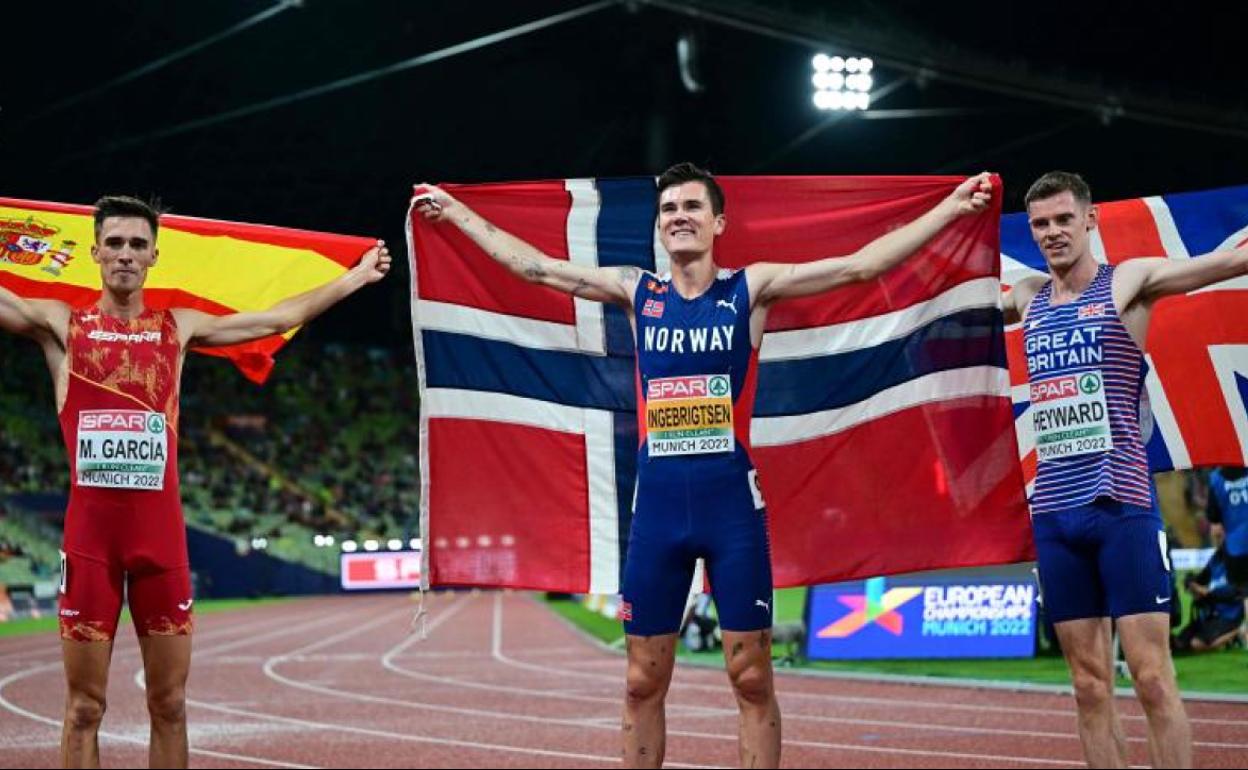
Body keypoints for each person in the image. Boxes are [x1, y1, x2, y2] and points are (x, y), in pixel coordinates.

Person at [415, 164, 994, 768]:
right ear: (659, 227)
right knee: (641, 680)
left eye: (692, 206)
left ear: (718, 223)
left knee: (749, 677)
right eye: (669, 209)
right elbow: (536, 268)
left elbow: (859, 267)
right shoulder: (639, 292)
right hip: (658, 514)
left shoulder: (752, 288)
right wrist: (456, 213)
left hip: (732, 513)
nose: (679, 216)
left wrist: (951, 209)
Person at [0, 195, 390, 768]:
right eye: (114, 243)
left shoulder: (177, 329)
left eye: (137, 244)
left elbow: (277, 319)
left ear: (156, 255)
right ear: (94, 253)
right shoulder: (62, 324)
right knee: (83, 706)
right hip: (91, 545)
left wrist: (354, 280)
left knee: (171, 703)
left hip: (161, 543)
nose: (125, 254)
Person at [1002, 171, 1248, 768]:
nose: (1053, 232)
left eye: (1064, 219)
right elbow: (936, 302)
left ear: (1090, 220)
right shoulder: (1027, 295)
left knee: (1151, 678)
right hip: (1055, 517)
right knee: (1088, 687)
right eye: (1041, 223)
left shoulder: (1128, 282)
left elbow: (1223, 266)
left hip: (1122, 510)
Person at [1172, 546, 1246, 653]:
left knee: (1196, 644)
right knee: (1179, 644)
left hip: (1229, 616)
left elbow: (1239, 592)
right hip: (1209, 614)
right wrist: (1190, 583)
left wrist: (1208, 593)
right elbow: (1200, 579)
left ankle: (1238, 631)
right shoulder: (1215, 559)